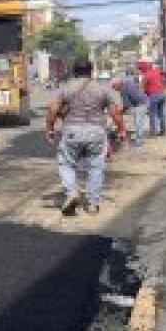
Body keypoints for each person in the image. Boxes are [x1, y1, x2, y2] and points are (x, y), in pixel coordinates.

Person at [46, 58, 127, 216]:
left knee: (66, 164)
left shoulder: (66, 88)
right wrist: (122, 130)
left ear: (74, 72)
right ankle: (93, 204)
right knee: (96, 167)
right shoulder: (103, 89)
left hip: (72, 131)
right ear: (91, 71)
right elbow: (115, 112)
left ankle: (71, 193)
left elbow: (52, 109)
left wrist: (49, 129)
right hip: (96, 132)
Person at [113, 73, 148, 147]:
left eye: (114, 87)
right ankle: (137, 136)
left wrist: (121, 112)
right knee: (138, 121)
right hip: (143, 100)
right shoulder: (127, 83)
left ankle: (139, 141)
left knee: (138, 122)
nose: (114, 90)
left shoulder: (123, 89)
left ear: (117, 84)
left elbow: (127, 105)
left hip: (141, 103)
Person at [139, 60, 166, 137]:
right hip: (162, 94)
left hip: (154, 96)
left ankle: (153, 133)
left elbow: (143, 89)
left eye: (141, 69)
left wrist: (144, 97)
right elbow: (164, 79)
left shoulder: (146, 75)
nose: (141, 71)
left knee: (152, 114)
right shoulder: (156, 71)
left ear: (143, 69)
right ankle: (163, 131)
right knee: (161, 114)